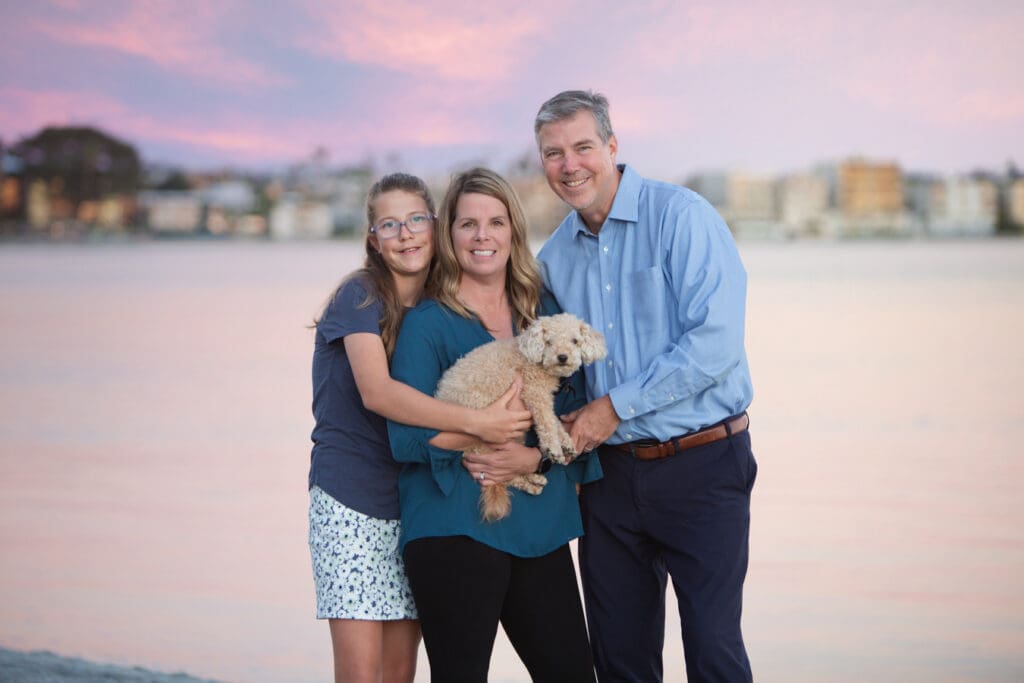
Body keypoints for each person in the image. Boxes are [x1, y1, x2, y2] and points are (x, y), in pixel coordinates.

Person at [533, 90, 758, 683]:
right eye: (553, 153)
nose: (570, 164)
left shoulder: (682, 216)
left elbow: (715, 345)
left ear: (612, 146)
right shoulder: (553, 258)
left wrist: (614, 407)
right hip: (607, 481)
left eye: (583, 147)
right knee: (620, 660)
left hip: (703, 465)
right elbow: (555, 373)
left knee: (713, 652)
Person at [308, 172, 533, 683]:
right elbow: (379, 393)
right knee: (362, 675)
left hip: (413, 504)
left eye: (416, 220)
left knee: (398, 673)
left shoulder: (439, 304)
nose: (405, 234)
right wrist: (482, 424)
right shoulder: (360, 297)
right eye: (389, 224)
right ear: (372, 238)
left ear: (435, 228)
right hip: (352, 503)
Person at [386, 167, 601, 683]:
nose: (483, 236)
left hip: (538, 526)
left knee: (573, 674)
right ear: (449, 235)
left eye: (496, 222)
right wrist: (482, 430)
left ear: (513, 232)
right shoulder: (427, 324)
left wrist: (537, 455)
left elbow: (579, 417)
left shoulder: (546, 316)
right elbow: (405, 436)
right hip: (454, 523)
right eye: (467, 224)